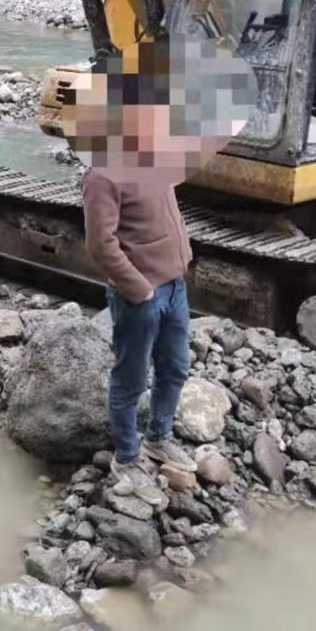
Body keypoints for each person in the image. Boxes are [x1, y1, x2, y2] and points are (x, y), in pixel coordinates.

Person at [80, 70, 200, 505]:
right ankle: (127, 459)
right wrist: (139, 289)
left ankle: (158, 437)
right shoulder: (102, 174)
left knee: (176, 367)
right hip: (142, 295)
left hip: (175, 285)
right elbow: (100, 244)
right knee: (130, 381)